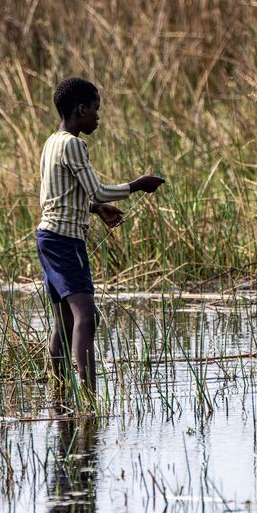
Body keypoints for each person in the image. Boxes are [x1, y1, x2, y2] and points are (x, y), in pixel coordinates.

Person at [36, 76, 164, 395]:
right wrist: (138, 185)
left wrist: (94, 209)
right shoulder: (75, 144)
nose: (98, 117)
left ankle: (61, 392)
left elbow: (59, 195)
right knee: (87, 316)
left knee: (65, 323)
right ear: (81, 109)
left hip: (48, 237)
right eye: (96, 109)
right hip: (66, 242)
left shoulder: (52, 142)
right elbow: (99, 188)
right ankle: (90, 397)